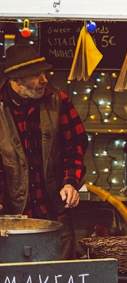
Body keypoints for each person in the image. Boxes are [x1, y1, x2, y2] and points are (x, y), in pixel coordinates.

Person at [0, 44, 88, 260]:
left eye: (44, 73)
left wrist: (70, 183)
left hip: (55, 212)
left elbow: (75, 146)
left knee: (61, 278)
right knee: (16, 282)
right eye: (36, 75)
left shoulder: (59, 101)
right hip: (11, 217)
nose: (44, 79)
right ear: (16, 80)